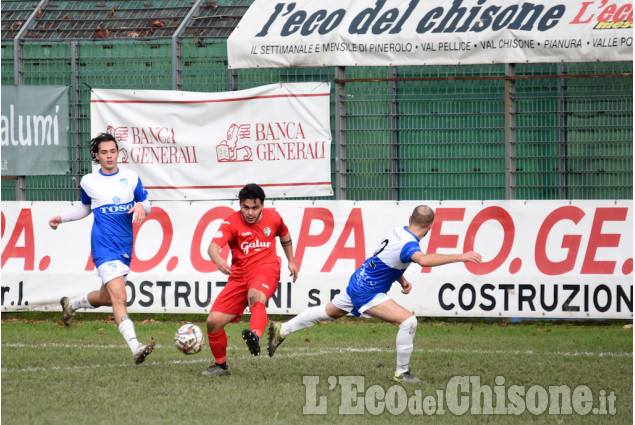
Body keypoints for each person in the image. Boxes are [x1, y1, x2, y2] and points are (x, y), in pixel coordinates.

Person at [267, 205, 482, 383]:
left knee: (327, 311)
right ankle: (402, 373)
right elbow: (424, 260)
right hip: (368, 290)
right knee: (409, 322)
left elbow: (386, 258)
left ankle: (282, 329)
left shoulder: (399, 230)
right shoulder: (410, 244)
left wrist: (401, 278)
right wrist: (462, 256)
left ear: (410, 218)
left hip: (360, 278)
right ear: (431, 227)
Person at [49, 132, 155, 365]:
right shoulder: (89, 181)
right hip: (103, 247)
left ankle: (72, 304)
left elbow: (147, 204)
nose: (109, 156)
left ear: (118, 153)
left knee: (107, 298)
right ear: (96, 156)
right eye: (104, 152)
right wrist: (63, 218)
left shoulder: (131, 177)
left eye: (113, 151)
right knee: (120, 297)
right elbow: (85, 209)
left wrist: (139, 206)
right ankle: (135, 346)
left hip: (124, 246)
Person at [201, 183, 298, 377]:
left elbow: (284, 234)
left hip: (266, 269)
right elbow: (213, 247)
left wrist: (291, 261)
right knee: (213, 322)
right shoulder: (231, 222)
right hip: (238, 276)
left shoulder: (274, 218)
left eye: (255, 208)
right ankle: (221, 366)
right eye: (246, 208)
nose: (250, 213)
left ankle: (255, 335)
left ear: (262, 205)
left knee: (256, 297)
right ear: (240, 205)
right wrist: (219, 260)